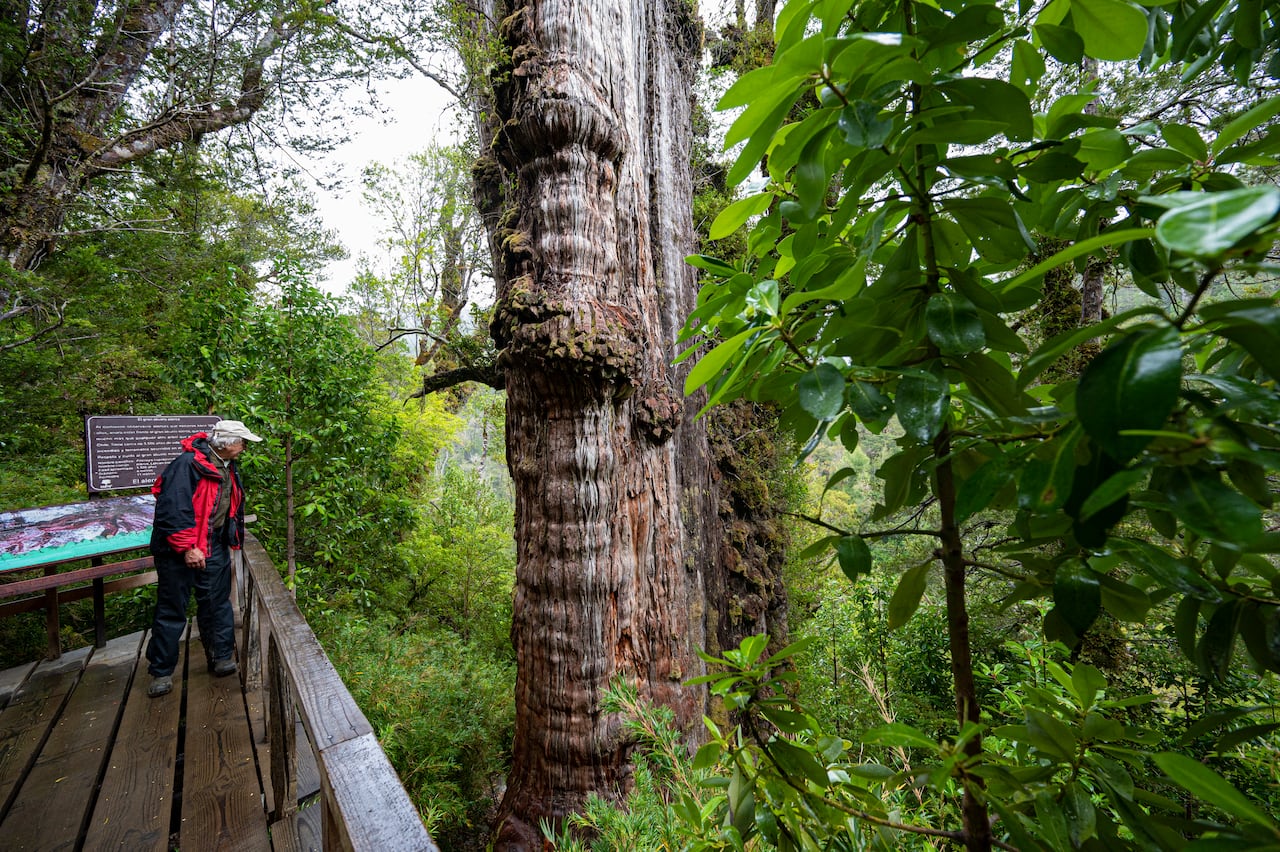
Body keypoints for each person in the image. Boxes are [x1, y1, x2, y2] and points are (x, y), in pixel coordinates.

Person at [145, 419, 262, 698]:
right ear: (227, 443)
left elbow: (226, 506)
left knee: (216, 602)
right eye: (241, 442)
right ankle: (161, 672)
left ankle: (221, 656)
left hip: (214, 544)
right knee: (173, 608)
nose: (244, 447)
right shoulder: (187, 466)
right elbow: (172, 509)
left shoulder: (227, 466)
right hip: (180, 549)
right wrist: (188, 548)